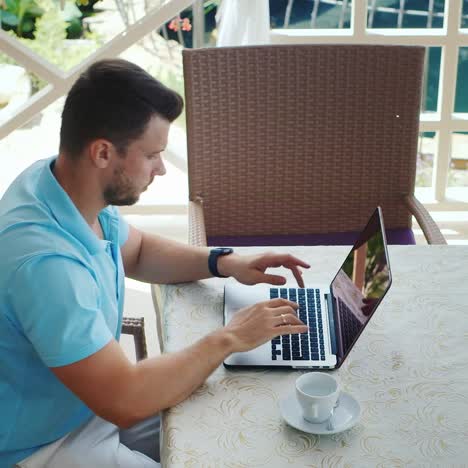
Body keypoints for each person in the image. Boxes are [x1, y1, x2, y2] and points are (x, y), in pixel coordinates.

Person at [0, 59, 309, 468]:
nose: (161, 169)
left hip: (87, 399)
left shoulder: (60, 186)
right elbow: (125, 400)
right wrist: (230, 337)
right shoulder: (46, 266)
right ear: (103, 153)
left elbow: (139, 251)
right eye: (152, 155)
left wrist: (226, 262)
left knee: (227, 427)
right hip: (43, 443)